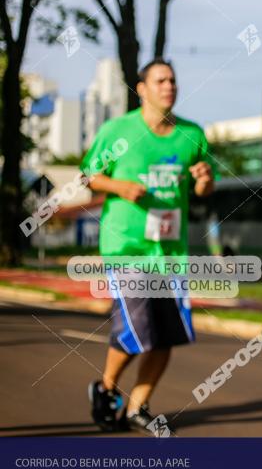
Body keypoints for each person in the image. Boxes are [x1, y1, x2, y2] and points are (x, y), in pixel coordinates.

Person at [82, 59, 217, 434]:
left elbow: (205, 188)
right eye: (160, 81)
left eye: (173, 80)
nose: (169, 87)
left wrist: (205, 179)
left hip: (170, 252)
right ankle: (106, 389)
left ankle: (138, 406)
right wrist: (120, 187)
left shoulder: (191, 134)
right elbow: (89, 175)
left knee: (167, 334)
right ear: (141, 88)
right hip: (127, 247)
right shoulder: (118, 130)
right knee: (137, 329)